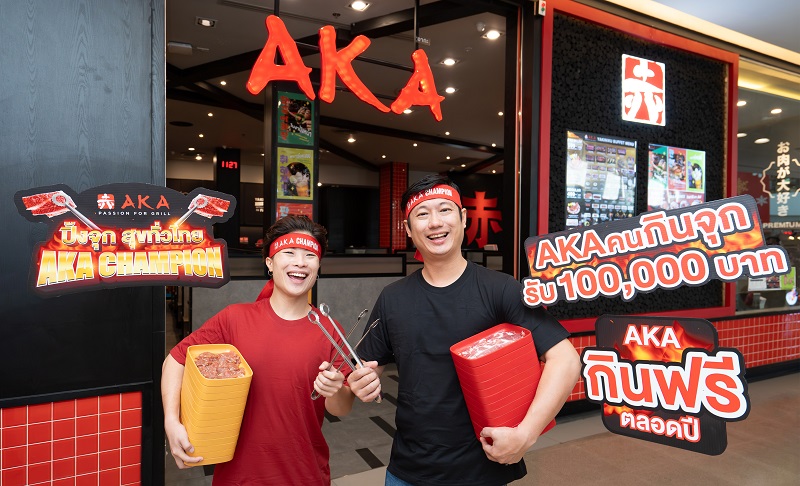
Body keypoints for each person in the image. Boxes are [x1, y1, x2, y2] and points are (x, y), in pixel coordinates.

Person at [357, 175, 581, 486]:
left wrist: (526, 434)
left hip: (483, 470)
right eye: (422, 214)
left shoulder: (501, 289)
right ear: (408, 229)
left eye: (445, 210)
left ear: (463, 218)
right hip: (407, 470)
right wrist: (359, 382)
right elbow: (365, 368)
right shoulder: (392, 298)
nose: (435, 222)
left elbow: (566, 360)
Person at [162, 215, 381, 485]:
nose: (300, 262)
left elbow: (341, 408)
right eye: (289, 252)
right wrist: (171, 421)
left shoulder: (329, 329)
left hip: (304, 475)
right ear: (269, 263)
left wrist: (336, 389)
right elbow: (175, 359)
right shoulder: (234, 319)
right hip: (238, 478)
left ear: (318, 266)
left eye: (310, 255)